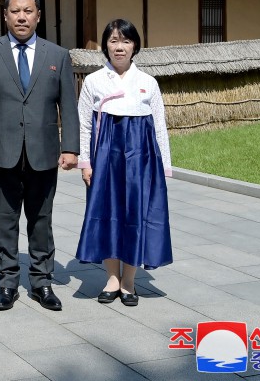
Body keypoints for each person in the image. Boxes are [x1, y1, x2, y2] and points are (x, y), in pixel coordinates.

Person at [0, 0, 79, 312]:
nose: (21, 17)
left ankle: (42, 282)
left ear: (38, 15)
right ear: (5, 15)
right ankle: (7, 283)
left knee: (42, 220)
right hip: (1, 151)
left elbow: (67, 106)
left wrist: (70, 147)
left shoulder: (56, 55)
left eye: (28, 11)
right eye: (15, 11)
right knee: (6, 219)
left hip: (44, 151)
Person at [75, 19, 172, 307]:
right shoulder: (93, 81)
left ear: (135, 46)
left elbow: (159, 127)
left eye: (126, 41)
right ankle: (112, 278)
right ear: (105, 45)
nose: (120, 47)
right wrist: (85, 162)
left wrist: (163, 167)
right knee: (107, 213)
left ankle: (129, 280)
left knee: (135, 215)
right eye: (114, 41)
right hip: (105, 156)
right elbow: (84, 126)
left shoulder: (148, 83)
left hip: (142, 158)